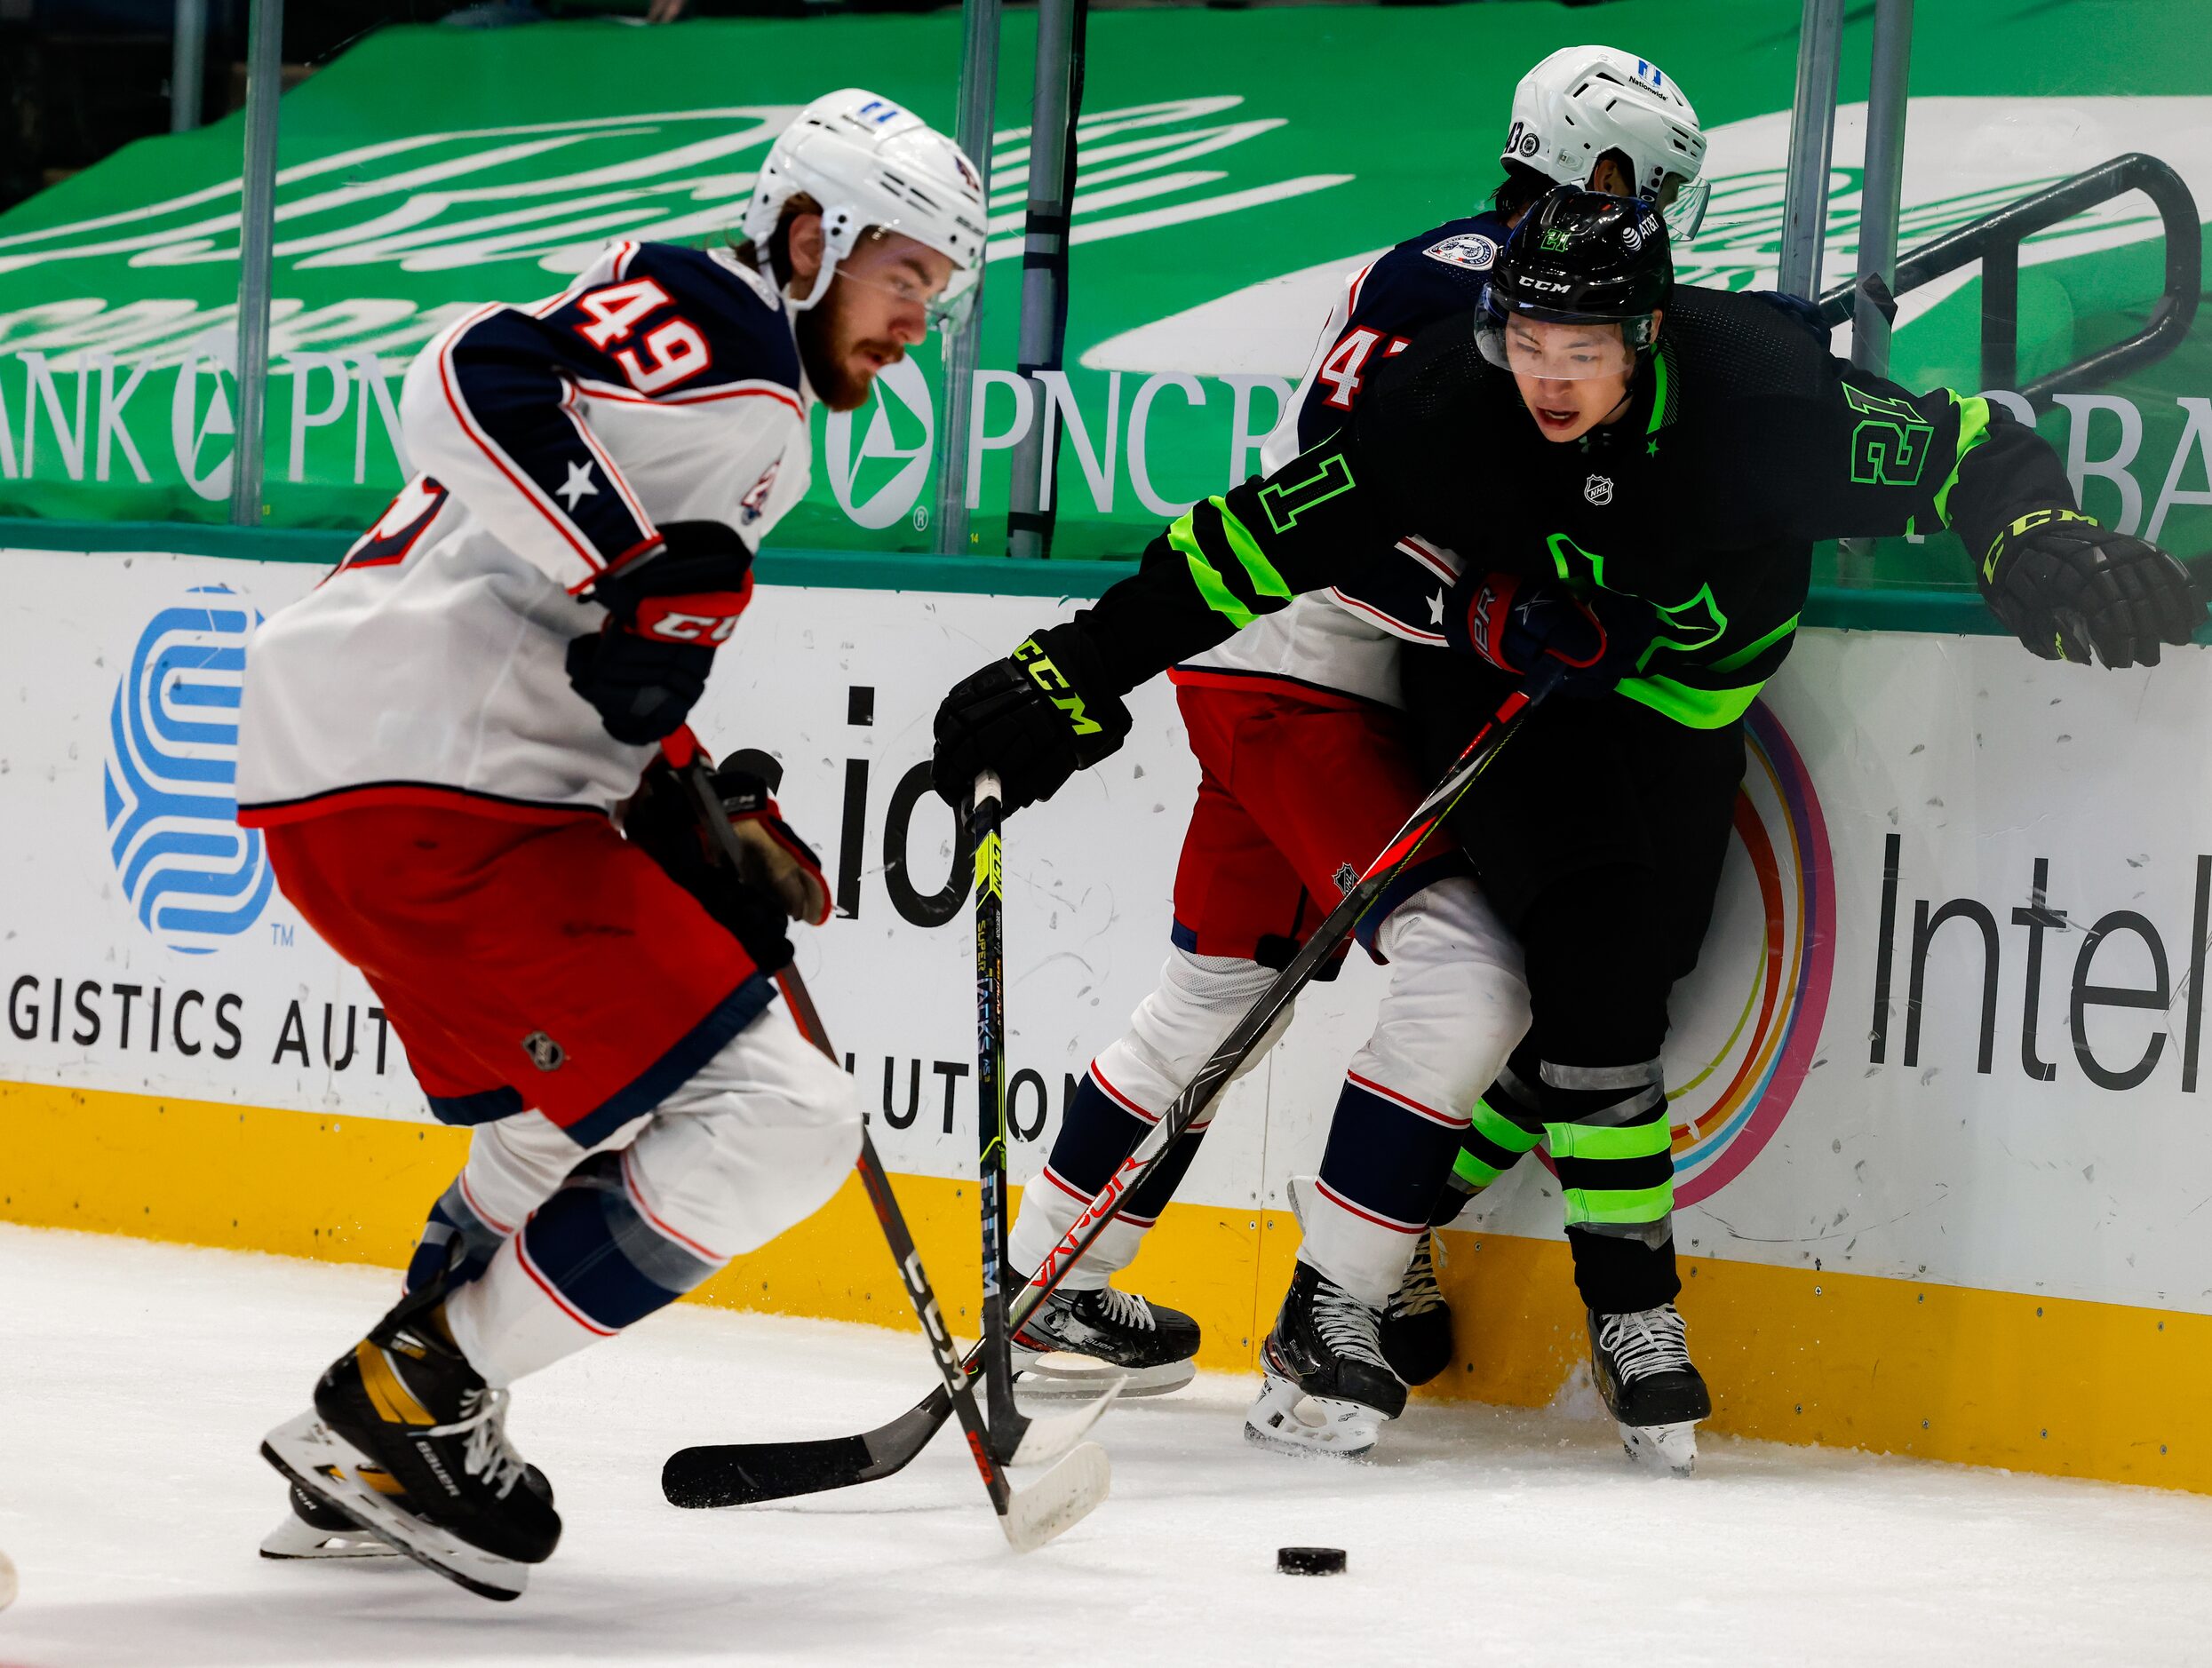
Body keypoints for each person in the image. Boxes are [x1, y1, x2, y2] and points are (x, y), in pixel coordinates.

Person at [934, 187, 2205, 1473]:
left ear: (1646, 335)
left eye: (1580, 353)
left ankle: (1392, 1211)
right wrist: (1073, 663)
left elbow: (1969, 445)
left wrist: (2036, 536)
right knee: (1560, 969)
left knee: (1616, 996)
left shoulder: (1763, 400)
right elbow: (1256, 540)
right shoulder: (1450, 398)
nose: (1544, 379)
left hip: (1685, 715)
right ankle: (1573, 1308)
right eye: (1524, 344)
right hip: (1512, 696)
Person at [238, 89, 985, 1599]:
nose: (922, 319)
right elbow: (467, 370)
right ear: (806, 233)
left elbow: (586, 617)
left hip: (380, 781)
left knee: (552, 1115)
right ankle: (403, 1405)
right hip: (446, 788)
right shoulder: (728, 331)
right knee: (785, 1120)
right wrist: (633, 567)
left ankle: (388, 1438)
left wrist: (684, 795)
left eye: (943, 291)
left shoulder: (733, 365)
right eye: (908, 273)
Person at [990, 46, 1711, 1443]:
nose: (1664, 218)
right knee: (1471, 973)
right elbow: (1340, 511)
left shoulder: (1455, 264)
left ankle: (1044, 1288)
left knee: (1211, 989)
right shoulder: (1473, 288)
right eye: (1654, 186)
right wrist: (1482, 607)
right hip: (1307, 677)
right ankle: (1331, 1319)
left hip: (1272, 669)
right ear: (1601, 172)